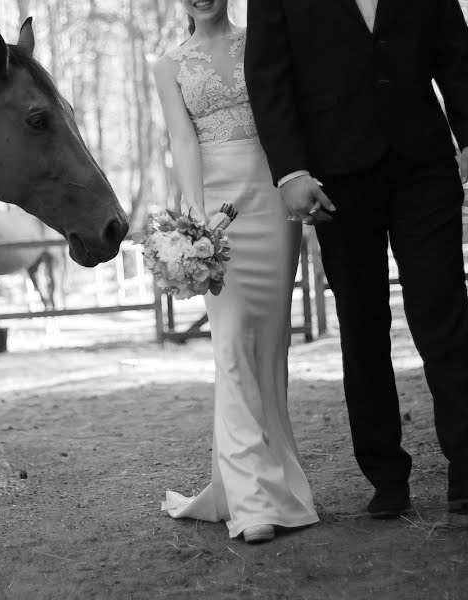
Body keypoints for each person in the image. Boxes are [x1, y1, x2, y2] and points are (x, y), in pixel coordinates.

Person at [244, 0, 468, 518]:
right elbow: (268, 79)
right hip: (335, 175)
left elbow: (454, 49)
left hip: (424, 164)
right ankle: (386, 477)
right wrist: (290, 171)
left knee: (443, 314)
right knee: (363, 326)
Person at [154, 0, 319, 543]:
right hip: (216, 207)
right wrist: (197, 219)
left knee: (269, 346)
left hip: (273, 197)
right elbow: (183, 140)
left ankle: (269, 482)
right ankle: (251, 505)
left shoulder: (263, 40)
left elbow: (291, 109)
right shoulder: (169, 64)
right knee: (229, 347)